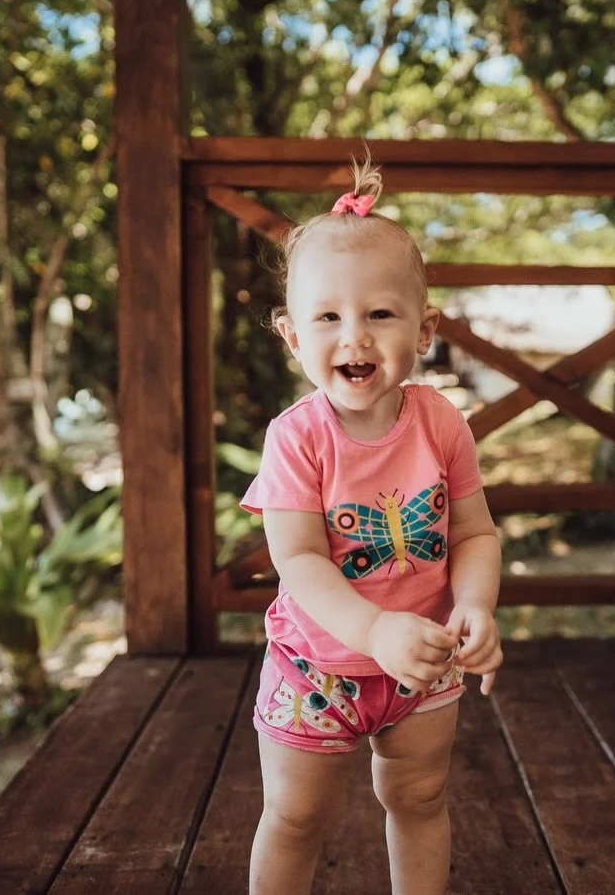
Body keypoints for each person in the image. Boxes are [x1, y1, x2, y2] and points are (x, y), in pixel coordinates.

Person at [240, 155, 503, 895]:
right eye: (328, 317)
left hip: (423, 665)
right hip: (317, 672)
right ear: (293, 337)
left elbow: (474, 534)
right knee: (296, 818)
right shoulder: (298, 438)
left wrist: (476, 604)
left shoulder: (441, 424)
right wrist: (372, 631)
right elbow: (300, 561)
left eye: (379, 314)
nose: (353, 336)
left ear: (423, 330)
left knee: (420, 800)